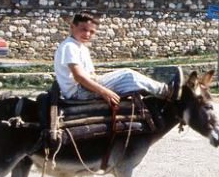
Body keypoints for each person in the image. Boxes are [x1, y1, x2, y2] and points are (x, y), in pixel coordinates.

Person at [54, 12, 183, 106]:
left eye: (91, 32)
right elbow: (79, 77)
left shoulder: (81, 48)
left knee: (126, 80)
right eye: (83, 29)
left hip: (84, 88)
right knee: (128, 75)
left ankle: (154, 95)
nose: (87, 34)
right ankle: (166, 91)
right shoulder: (69, 46)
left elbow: (91, 74)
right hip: (78, 92)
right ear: (72, 27)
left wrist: (102, 81)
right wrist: (105, 92)